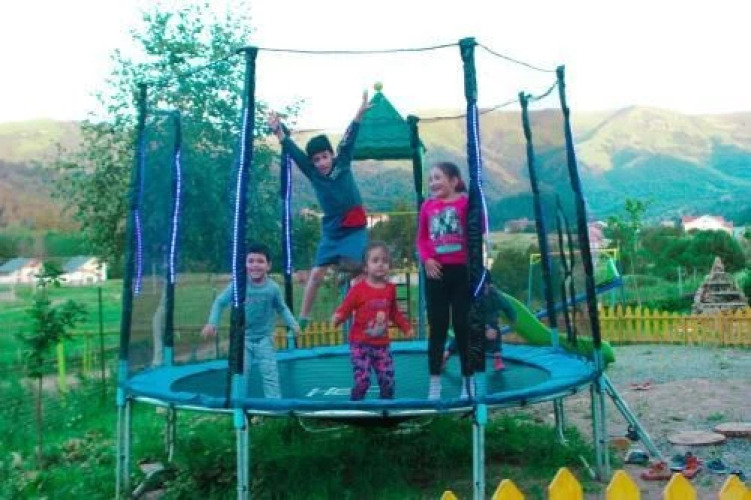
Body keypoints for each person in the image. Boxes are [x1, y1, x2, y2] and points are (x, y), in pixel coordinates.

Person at [268, 92, 371, 330]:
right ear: (312, 162)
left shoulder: (342, 161)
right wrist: (278, 131)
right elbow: (292, 151)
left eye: (325, 157)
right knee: (316, 275)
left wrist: (359, 114)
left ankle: (351, 306)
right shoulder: (313, 172)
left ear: (332, 155)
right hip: (332, 230)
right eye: (317, 159)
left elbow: (349, 138)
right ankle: (303, 318)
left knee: (359, 270)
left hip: (354, 226)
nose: (322, 163)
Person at [201, 243, 299, 399]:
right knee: (240, 374)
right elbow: (220, 302)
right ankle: (238, 405)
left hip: (265, 338)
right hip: (243, 339)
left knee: (270, 374)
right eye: (251, 261)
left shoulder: (272, 288)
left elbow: (282, 308)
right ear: (245, 264)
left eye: (260, 261)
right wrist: (212, 322)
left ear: (268, 266)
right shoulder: (239, 285)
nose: (255, 265)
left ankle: (274, 406)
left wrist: (292, 323)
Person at [332, 241, 414, 400]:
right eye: (375, 261)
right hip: (360, 345)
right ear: (366, 267)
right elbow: (346, 307)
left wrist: (405, 327)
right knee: (362, 382)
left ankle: (385, 408)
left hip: (382, 346)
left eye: (385, 261)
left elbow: (394, 312)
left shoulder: (390, 289)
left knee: (388, 382)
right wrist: (338, 317)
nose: (381, 264)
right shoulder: (358, 289)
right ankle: (356, 405)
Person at [417, 161, 471, 399]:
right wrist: (427, 259)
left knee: (462, 326)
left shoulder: (465, 203)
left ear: (454, 181)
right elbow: (421, 239)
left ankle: (468, 381)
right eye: (430, 179)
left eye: (438, 178)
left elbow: (478, 229)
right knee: (438, 326)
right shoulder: (427, 206)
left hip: (461, 272)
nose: (433, 183)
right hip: (435, 273)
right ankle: (435, 382)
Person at [442, 276, 517, 372]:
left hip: (490, 323)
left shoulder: (496, 296)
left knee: (494, 331)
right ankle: (445, 356)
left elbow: (508, 307)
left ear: (488, 285)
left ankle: (497, 359)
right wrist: (486, 328)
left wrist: (513, 319)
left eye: (484, 286)